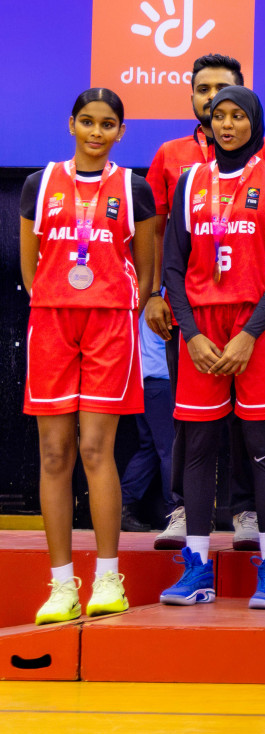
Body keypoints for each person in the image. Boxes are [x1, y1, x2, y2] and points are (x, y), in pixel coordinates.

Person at [158, 87, 265, 610]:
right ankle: (197, 566)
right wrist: (191, 332)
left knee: (261, 448)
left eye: (238, 116)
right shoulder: (191, 180)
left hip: (255, 327)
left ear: (254, 122)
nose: (227, 124)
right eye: (219, 116)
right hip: (201, 328)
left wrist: (249, 334)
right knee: (197, 449)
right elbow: (173, 264)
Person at [25, 89, 156, 626]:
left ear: (121, 132)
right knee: (55, 455)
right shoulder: (40, 184)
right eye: (87, 122)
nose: (97, 132)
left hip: (109, 322)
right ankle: (61, 586)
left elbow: (145, 271)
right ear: (71, 125)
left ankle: (108, 577)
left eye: (108, 124)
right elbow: (30, 267)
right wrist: (58, 296)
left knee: (97, 450)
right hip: (52, 319)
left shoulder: (134, 188)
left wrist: (117, 303)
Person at [119, 312, 175, 531]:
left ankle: (124, 506)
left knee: (150, 448)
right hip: (162, 383)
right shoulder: (164, 304)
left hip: (144, 383)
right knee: (170, 449)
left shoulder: (142, 306)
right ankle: (175, 512)